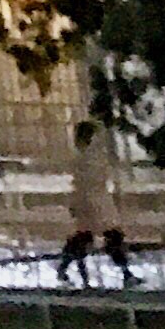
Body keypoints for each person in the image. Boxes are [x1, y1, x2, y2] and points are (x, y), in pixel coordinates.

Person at [59, 118, 131, 287]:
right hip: (93, 201)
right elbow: (88, 180)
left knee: (88, 236)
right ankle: (125, 272)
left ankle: (65, 270)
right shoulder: (88, 157)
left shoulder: (88, 156)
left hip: (94, 200)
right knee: (108, 235)